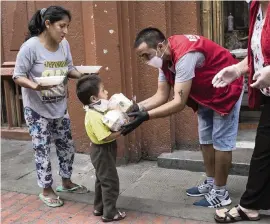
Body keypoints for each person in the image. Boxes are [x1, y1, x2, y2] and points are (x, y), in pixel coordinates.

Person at [122, 27, 244, 208]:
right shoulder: (164, 58)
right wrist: (135, 108)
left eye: (146, 55)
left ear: (160, 46)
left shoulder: (185, 55)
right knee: (205, 140)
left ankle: (220, 192)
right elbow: (161, 95)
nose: (146, 61)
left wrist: (145, 116)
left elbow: (178, 102)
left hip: (226, 90)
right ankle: (211, 182)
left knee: (221, 143)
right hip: (205, 93)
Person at [13, 6, 88, 207]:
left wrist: (85, 74)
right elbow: (18, 75)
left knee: (66, 146)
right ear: (48, 24)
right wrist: (34, 85)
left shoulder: (64, 45)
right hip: (36, 110)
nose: (65, 31)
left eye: (67, 26)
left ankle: (66, 181)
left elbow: (69, 69)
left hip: (59, 106)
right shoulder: (30, 47)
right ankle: (46, 189)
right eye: (62, 26)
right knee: (42, 149)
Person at [213, 0, 270, 222]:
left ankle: (249, 205)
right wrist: (237, 70)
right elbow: (257, 51)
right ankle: (250, 205)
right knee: (263, 152)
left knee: (263, 152)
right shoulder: (257, 8)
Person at [76, 74, 126, 222]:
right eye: (103, 91)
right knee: (110, 181)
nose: (107, 93)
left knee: (101, 179)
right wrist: (123, 130)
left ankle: (99, 207)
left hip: (104, 150)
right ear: (94, 99)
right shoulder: (93, 115)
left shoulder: (96, 111)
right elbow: (105, 137)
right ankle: (110, 213)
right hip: (102, 151)